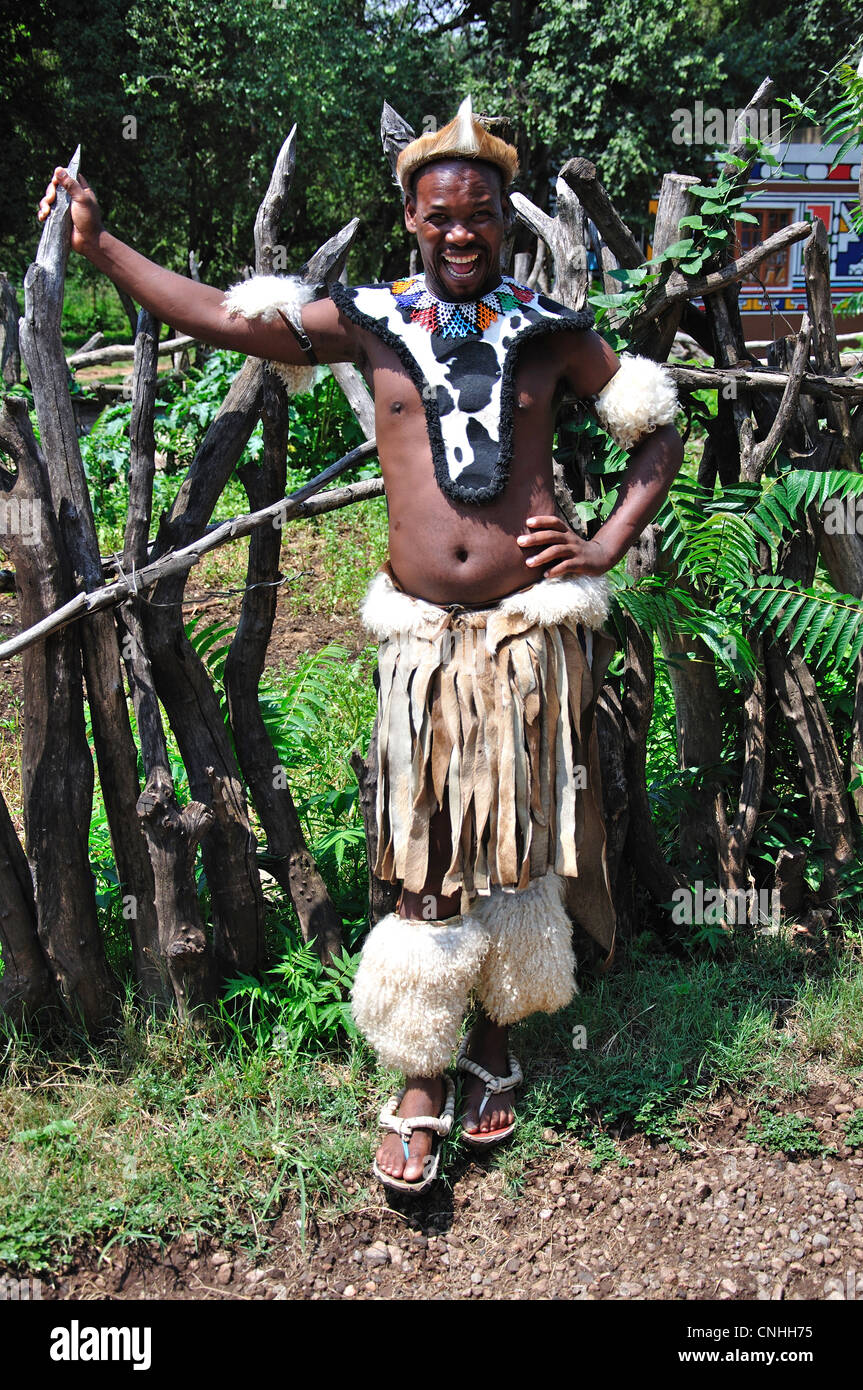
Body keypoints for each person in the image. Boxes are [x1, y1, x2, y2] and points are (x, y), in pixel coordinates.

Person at [39, 97, 683, 1193]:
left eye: (480, 213)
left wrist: (604, 542)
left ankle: (496, 1039)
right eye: (442, 215)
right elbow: (224, 317)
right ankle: (421, 1071)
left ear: (503, 221)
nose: (463, 232)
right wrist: (101, 246)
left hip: (527, 639)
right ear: (411, 216)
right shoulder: (371, 319)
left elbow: (654, 423)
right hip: (423, 650)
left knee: (514, 847)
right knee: (426, 855)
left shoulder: (550, 329)